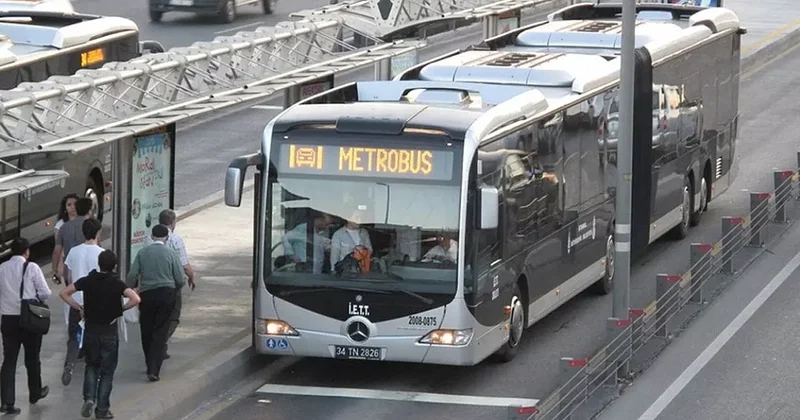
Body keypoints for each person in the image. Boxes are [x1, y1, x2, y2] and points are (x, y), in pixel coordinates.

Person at [60, 250, 140, 419]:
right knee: (107, 372)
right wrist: (121, 310)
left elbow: (64, 293)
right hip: (109, 332)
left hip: (91, 331)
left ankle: (89, 398)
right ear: (114, 266)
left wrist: (79, 307)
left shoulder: (88, 280)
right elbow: (135, 299)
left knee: (91, 366)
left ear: (99, 264)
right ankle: (102, 409)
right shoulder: (117, 283)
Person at [126, 224, 185, 382]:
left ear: (151, 237)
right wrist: (174, 290)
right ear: (167, 238)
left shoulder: (142, 253)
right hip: (166, 294)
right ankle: (154, 369)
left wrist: (130, 289)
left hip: (147, 294)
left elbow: (132, 275)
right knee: (161, 330)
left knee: (146, 329)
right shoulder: (171, 253)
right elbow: (180, 278)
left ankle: (149, 362)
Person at [0, 238, 51, 414]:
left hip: (8, 319)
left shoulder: (2, 268)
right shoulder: (32, 268)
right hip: (29, 318)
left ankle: (7, 402)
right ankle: (35, 392)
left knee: (9, 360)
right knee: (32, 357)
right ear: (27, 252)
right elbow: (45, 292)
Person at [144, 209, 195, 360]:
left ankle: (159, 344)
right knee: (173, 316)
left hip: (149, 285)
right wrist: (191, 278)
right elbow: (184, 265)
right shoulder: (176, 240)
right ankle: (160, 341)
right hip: (170, 285)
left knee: (153, 317)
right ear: (172, 223)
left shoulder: (148, 239)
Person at [61, 218, 106, 386]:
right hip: (95, 302)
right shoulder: (101, 253)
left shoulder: (74, 251)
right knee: (94, 336)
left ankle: (70, 363)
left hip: (76, 301)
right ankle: (93, 369)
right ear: (98, 233)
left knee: (74, 336)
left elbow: (68, 276)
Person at [52, 193, 79, 282]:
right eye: (69, 205)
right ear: (65, 208)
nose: (72, 207)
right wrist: (55, 269)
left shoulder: (85, 221)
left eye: (75, 204)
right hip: (68, 261)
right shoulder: (60, 225)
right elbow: (58, 249)